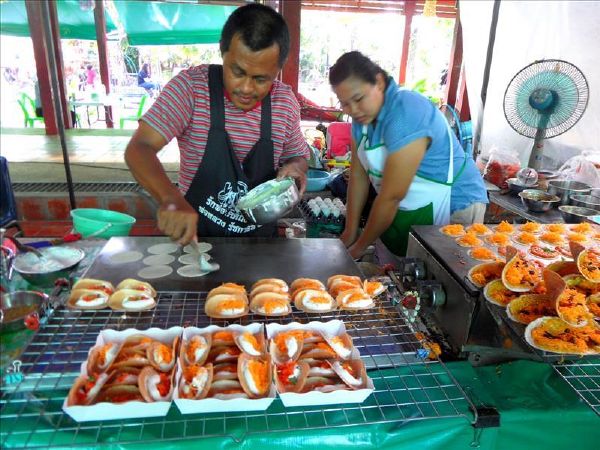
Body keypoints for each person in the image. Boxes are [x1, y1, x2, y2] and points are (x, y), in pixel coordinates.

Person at [124, 4, 309, 245]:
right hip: (195, 243)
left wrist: (296, 168)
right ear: (223, 53)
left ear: (277, 70)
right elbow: (139, 148)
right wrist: (170, 199)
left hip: (260, 247)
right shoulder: (191, 88)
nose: (246, 88)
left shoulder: (284, 102)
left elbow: (298, 156)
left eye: (261, 79)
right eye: (237, 71)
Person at [329, 51, 488, 258]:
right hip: (408, 203)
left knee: (445, 275)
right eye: (345, 103)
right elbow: (358, 178)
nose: (353, 110)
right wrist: (349, 233)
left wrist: (358, 248)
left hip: (455, 204)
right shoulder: (362, 122)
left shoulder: (406, 112)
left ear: (378, 82)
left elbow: (391, 196)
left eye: (358, 99)